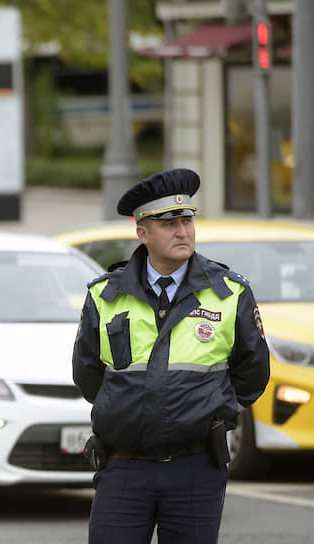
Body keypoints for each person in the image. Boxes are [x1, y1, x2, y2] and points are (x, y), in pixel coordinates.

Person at [72, 168, 270, 543]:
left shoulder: (229, 293)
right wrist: (126, 409)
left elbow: (253, 372)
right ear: (142, 232)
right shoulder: (105, 294)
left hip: (196, 467)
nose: (183, 232)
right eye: (169, 224)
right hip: (124, 466)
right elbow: (88, 376)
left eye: (187, 221)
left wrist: (211, 410)